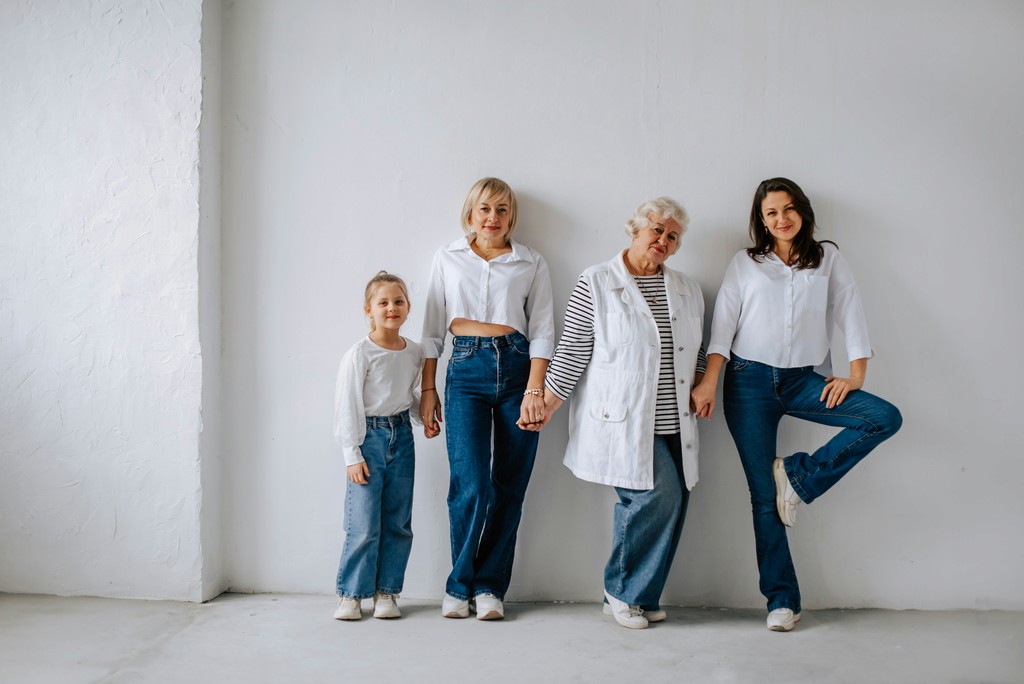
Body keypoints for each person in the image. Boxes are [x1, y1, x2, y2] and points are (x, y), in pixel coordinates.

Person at [690, 177, 903, 632]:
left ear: (802, 211)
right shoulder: (745, 263)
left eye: (788, 209)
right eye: (771, 213)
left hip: (807, 380)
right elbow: (723, 327)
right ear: (761, 220)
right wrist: (709, 383)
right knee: (763, 498)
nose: (781, 219)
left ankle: (799, 474)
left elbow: (851, 311)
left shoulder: (827, 258)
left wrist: (857, 374)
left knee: (883, 418)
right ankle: (782, 600)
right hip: (747, 384)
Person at [525, 197, 706, 630]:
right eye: (657, 230)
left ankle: (640, 596)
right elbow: (573, 352)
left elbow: (696, 349)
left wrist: (703, 383)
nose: (663, 240)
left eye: (673, 236)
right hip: (623, 419)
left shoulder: (686, 288)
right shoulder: (598, 281)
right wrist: (545, 401)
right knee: (654, 497)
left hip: (674, 419)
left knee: (677, 501)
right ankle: (621, 589)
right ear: (635, 229)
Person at [420, 177, 555, 620]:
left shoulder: (530, 262)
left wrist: (536, 390)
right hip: (465, 372)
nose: (492, 218)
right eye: (484, 209)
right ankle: (459, 585)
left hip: (519, 372)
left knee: (509, 487)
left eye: (501, 210)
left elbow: (542, 334)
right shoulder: (448, 257)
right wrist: (427, 390)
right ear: (470, 214)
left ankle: (491, 587)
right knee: (471, 484)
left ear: (511, 216)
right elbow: (432, 332)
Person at [332, 271, 425, 621]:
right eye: (383, 302)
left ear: (408, 307)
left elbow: (407, 394)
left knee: (398, 521)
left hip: (401, 438)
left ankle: (387, 592)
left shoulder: (413, 352)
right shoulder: (359, 354)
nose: (391, 308)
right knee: (364, 523)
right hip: (367, 439)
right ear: (368, 309)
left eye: (398, 301)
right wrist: (351, 454)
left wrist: (423, 414)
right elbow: (347, 405)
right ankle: (352, 595)